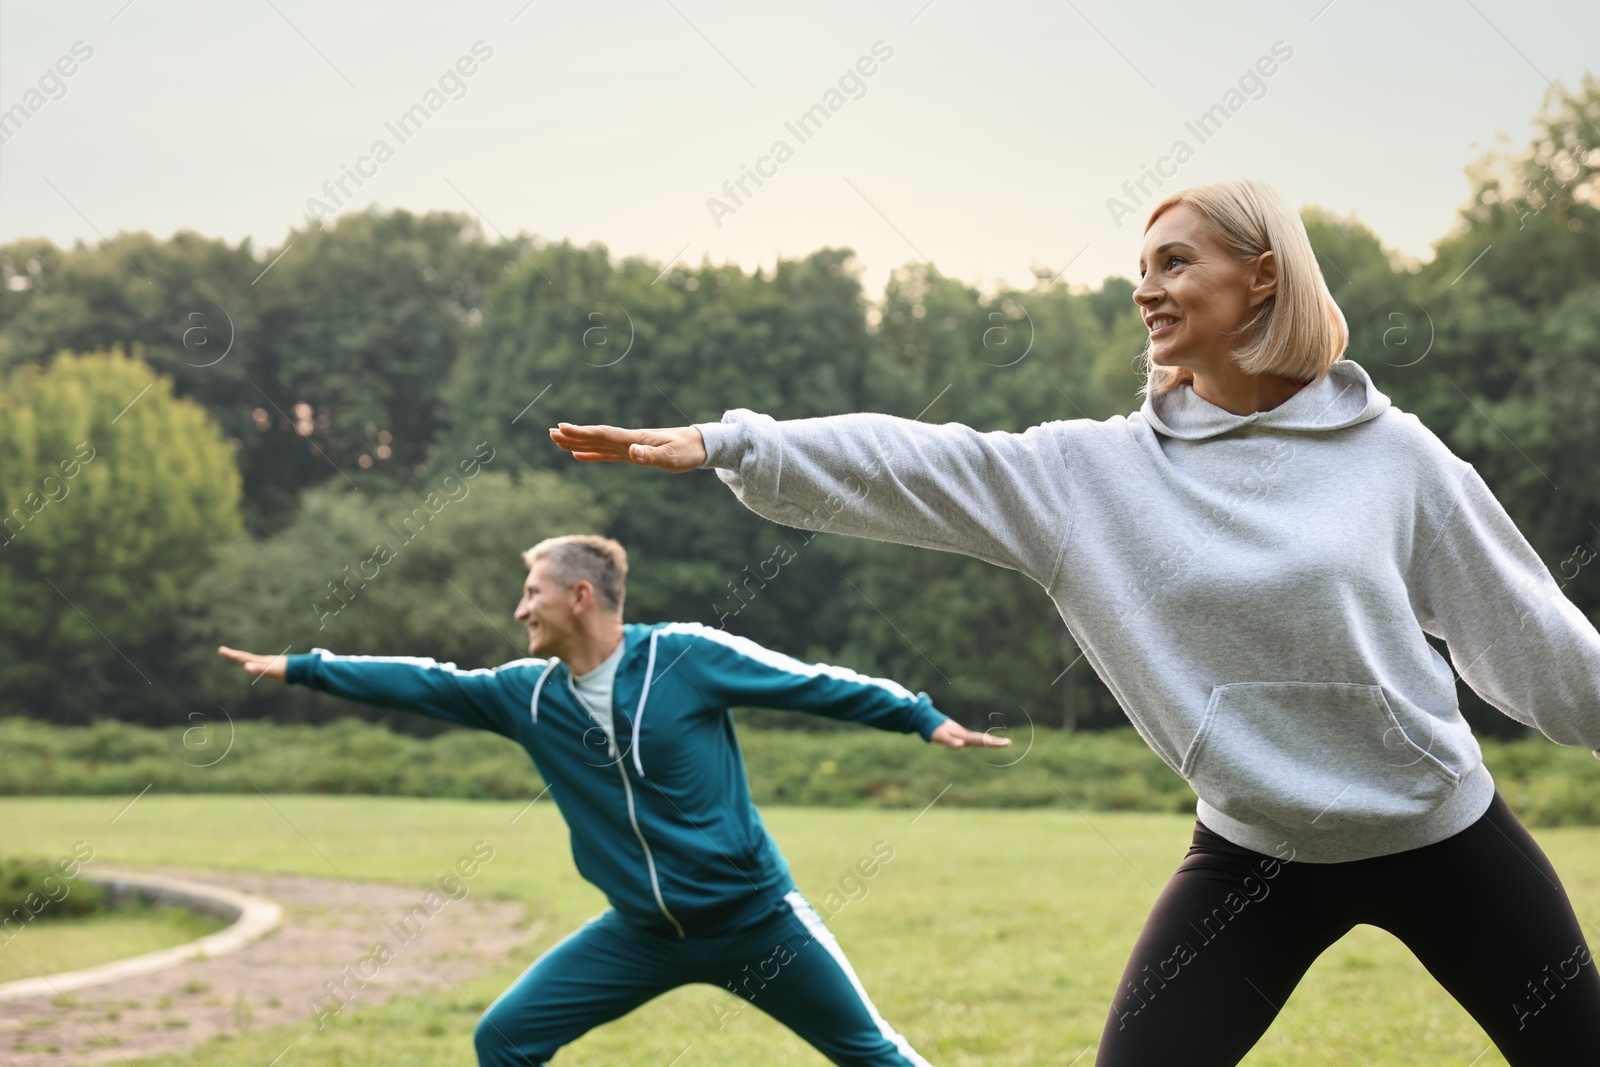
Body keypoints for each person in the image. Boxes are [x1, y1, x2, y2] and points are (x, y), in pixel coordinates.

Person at [549, 180, 1600, 1065]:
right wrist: (734, 443)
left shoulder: (1392, 455)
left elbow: (1530, 635)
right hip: (1253, 851)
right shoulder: (1091, 476)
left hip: (1438, 832)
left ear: (1263, 274)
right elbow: (919, 460)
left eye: (1176, 261)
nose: (1145, 287)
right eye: (1141, 267)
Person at [220, 534, 1005, 1067]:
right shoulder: (523, 696)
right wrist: (306, 666)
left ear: (580, 596)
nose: (520, 610)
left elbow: (811, 682)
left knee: (876, 1056)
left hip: (756, 923)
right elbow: (427, 682)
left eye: (532, 593)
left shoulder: (687, 657)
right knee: (505, 1039)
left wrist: (919, 715)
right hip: (641, 934)